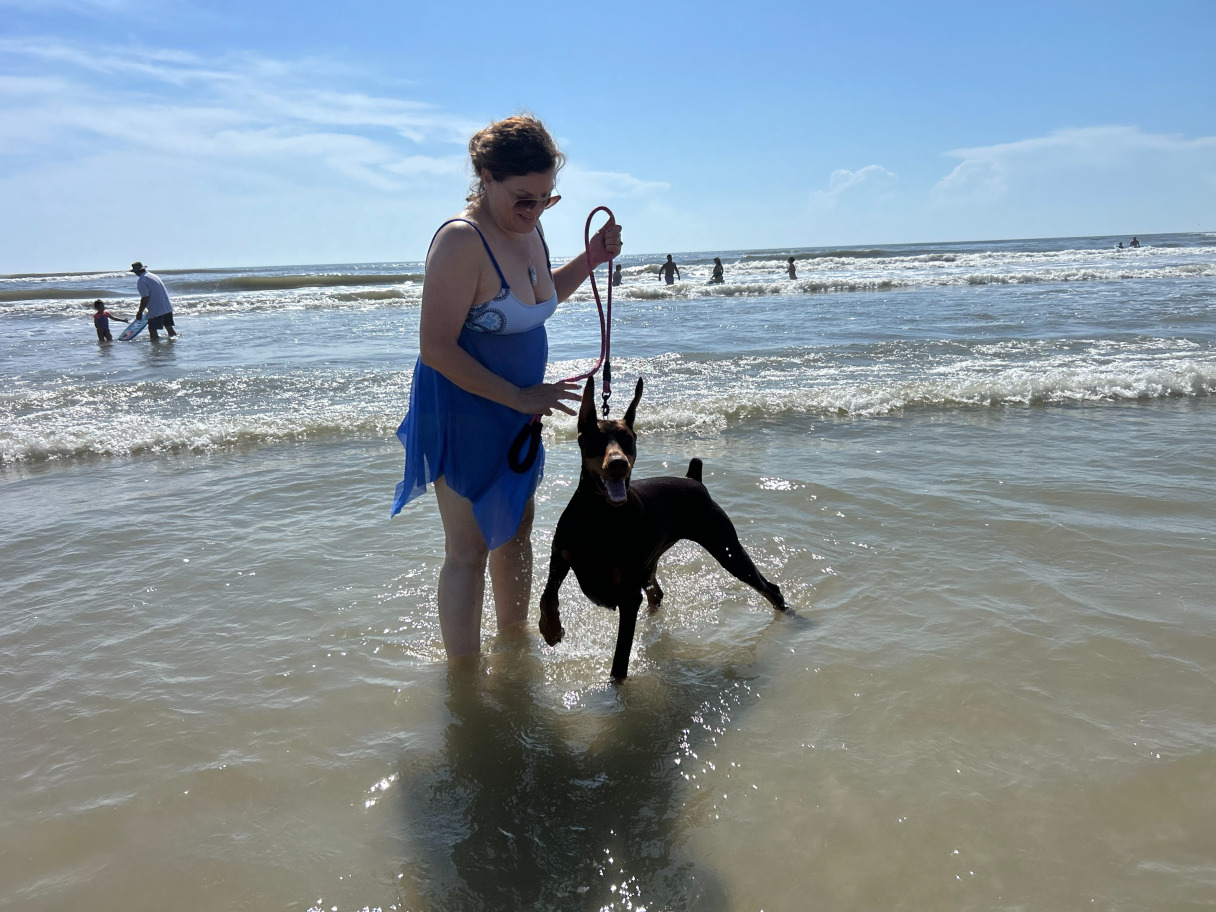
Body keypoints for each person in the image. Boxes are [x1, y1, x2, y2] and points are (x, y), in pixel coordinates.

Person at [390, 115, 623, 664]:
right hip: (465, 408)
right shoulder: (460, 241)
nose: (535, 211)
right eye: (524, 199)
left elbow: (538, 298)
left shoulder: (530, 227)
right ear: (487, 177)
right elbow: (435, 348)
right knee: (468, 550)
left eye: (546, 199)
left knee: (517, 529)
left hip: (519, 410)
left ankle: (514, 654)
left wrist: (591, 258)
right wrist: (519, 397)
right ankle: (465, 681)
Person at [130, 262, 176, 340]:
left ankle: (156, 347)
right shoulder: (153, 276)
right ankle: (173, 345)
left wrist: (140, 312)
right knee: (169, 328)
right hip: (167, 307)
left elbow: (145, 298)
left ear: (136, 272)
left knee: (152, 330)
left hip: (156, 310)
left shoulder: (142, 280)